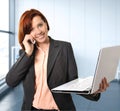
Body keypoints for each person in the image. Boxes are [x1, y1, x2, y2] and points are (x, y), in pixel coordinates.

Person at [6, 9, 109, 111]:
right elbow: (11, 81)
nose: (38, 31)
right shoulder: (26, 54)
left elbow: (73, 82)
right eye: (32, 29)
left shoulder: (64, 48)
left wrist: (94, 90)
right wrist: (28, 52)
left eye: (40, 25)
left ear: (46, 24)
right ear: (27, 33)